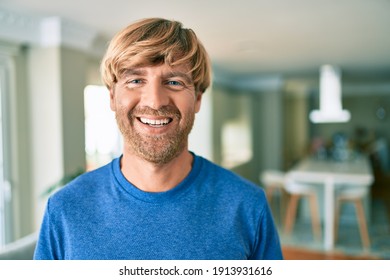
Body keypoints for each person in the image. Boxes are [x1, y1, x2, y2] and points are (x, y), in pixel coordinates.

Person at [34, 18, 283, 260]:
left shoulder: (248, 205)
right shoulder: (65, 208)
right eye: (135, 80)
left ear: (197, 99)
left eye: (174, 82)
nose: (155, 101)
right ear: (112, 97)